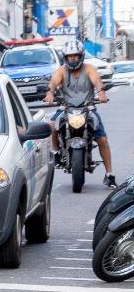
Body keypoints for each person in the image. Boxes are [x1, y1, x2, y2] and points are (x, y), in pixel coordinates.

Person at [45, 38, 114, 186]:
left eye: (76, 55)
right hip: (66, 108)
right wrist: (50, 92)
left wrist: (101, 93)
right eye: (70, 56)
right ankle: (57, 152)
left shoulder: (89, 68)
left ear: (81, 56)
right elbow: (53, 82)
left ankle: (109, 174)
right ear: (66, 57)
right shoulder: (61, 70)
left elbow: (97, 82)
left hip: (88, 108)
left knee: (102, 139)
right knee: (52, 125)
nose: (73, 58)